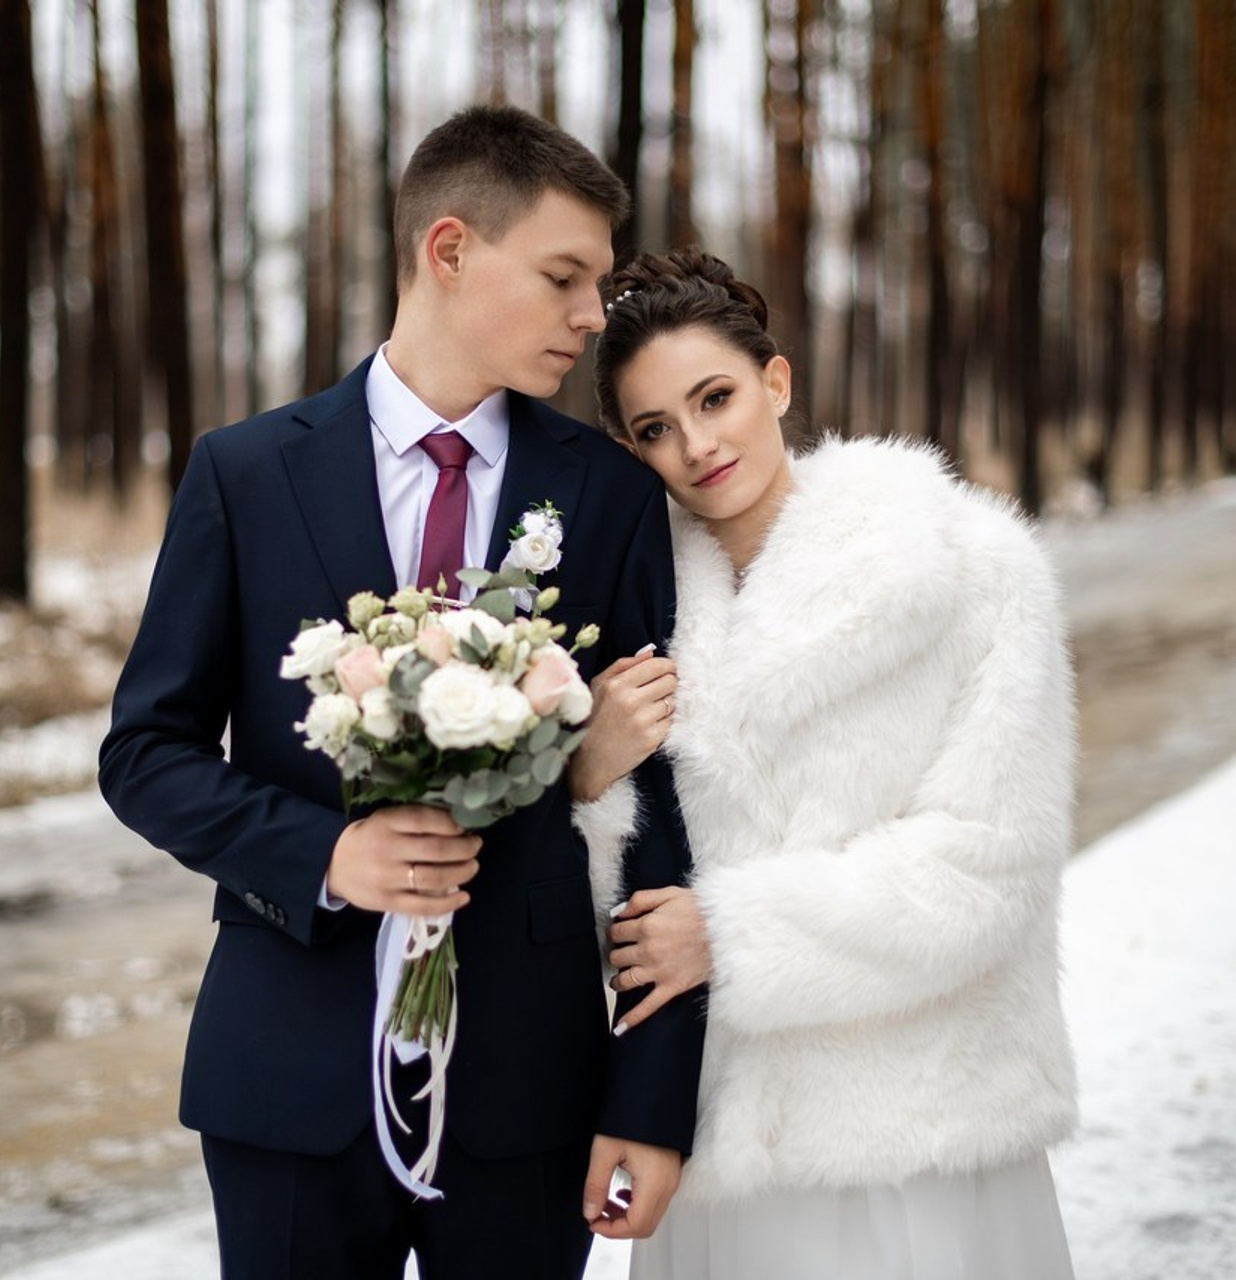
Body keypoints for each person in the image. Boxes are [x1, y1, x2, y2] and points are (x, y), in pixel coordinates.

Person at [99, 106, 704, 1280]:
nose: (592, 317)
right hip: (286, 1076)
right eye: (565, 277)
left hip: (528, 1094)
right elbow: (145, 754)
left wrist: (650, 1093)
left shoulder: (607, 494)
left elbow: (658, 810)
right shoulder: (244, 471)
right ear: (449, 250)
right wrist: (327, 856)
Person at [569, 249, 1078, 1277]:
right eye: (654, 429)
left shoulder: (968, 567)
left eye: (714, 397)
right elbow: (602, 892)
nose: (697, 446)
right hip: (722, 1138)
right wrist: (588, 776)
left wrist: (730, 932)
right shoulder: (634, 615)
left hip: (918, 1126)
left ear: (777, 381)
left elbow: (987, 867)